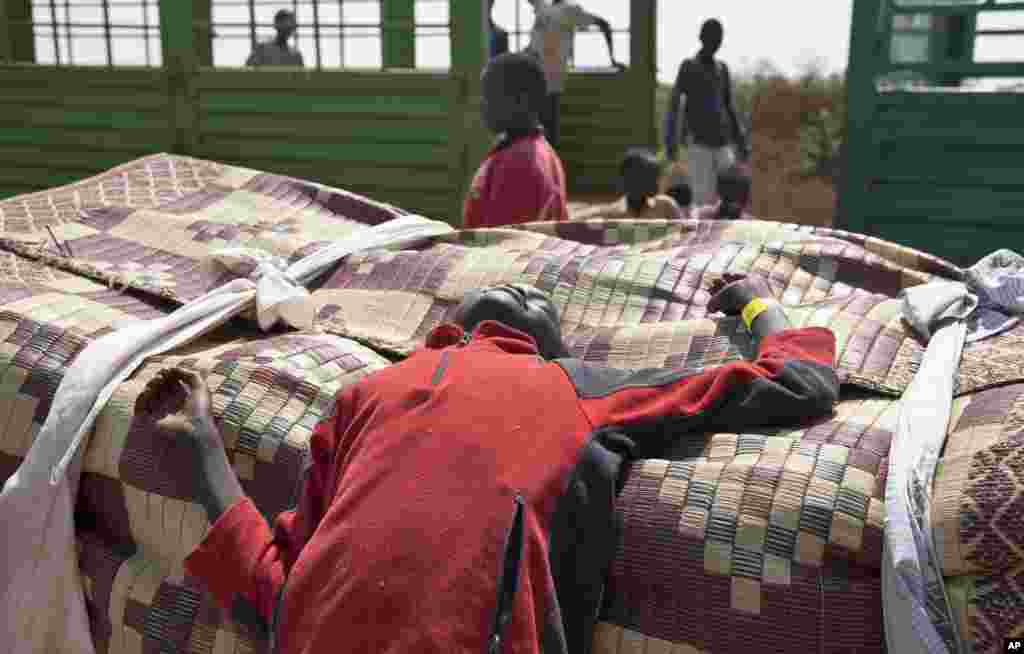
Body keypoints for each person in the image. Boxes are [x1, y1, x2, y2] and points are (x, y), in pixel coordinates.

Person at [137, 274, 839, 654]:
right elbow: (796, 383)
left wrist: (203, 449)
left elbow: (277, 591)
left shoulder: (372, 393)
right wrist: (758, 305)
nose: (529, 291)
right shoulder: (569, 384)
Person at [463, 52, 568, 229]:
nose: (481, 104)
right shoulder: (536, 150)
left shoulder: (520, 162)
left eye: (489, 96)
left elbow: (503, 242)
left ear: (520, 101)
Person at [664, 19, 749, 208]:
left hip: (723, 144)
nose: (716, 41)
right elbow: (674, 104)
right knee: (703, 201)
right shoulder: (688, 66)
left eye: (719, 38)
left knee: (732, 194)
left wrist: (740, 140)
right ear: (701, 38)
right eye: (712, 37)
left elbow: (729, 106)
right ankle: (703, 238)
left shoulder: (722, 69)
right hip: (699, 145)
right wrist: (671, 142)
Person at [524, 0, 627, 147]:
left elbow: (603, 24)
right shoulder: (543, 9)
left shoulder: (570, 10)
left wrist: (612, 58)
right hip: (532, 80)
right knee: (536, 135)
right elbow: (536, 44)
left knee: (546, 136)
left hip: (550, 81)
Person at [573, 148, 683, 220]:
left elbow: (687, 233)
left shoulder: (666, 206)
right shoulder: (613, 213)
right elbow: (572, 221)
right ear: (634, 181)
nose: (658, 182)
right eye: (652, 178)